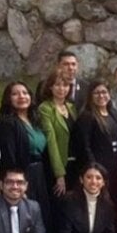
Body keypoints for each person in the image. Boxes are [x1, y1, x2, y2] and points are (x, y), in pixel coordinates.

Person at [0, 81, 51, 211]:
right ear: (8, 99)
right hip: (23, 174)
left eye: (25, 93)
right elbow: (9, 157)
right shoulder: (7, 124)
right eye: (15, 94)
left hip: (39, 174)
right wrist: (18, 185)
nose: (21, 96)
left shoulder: (35, 120)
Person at [71, 81, 117, 204]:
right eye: (97, 93)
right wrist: (93, 168)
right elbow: (85, 145)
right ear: (90, 96)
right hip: (99, 168)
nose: (101, 96)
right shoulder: (87, 117)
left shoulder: (114, 114)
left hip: (115, 167)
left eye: (104, 92)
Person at [39, 69, 78, 197]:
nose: (62, 89)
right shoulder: (45, 108)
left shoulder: (71, 107)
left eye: (65, 85)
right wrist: (59, 174)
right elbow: (51, 141)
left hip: (75, 163)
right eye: (57, 85)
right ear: (50, 87)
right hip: (59, 166)